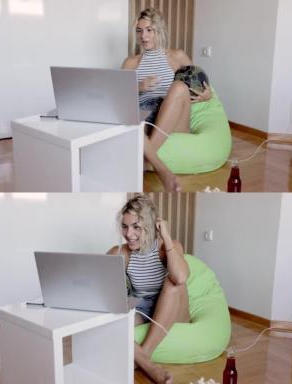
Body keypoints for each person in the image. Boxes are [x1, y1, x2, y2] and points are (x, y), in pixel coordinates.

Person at [122, 8, 212, 192]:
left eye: (149, 30)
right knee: (127, 115)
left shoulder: (177, 56)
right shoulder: (131, 62)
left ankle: (145, 161)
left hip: (172, 115)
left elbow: (197, 80)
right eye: (139, 31)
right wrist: (139, 86)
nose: (143, 36)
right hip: (145, 115)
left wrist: (208, 95)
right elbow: (118, 96)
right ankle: (160, 168)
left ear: (159, 30)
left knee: (179, 87)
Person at [108, 195, 190, 384]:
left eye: (136, 226)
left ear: (152, 225)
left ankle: (147, 360)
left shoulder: (168, 247)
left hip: (174, 306)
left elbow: (181, 278)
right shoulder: (122, 253)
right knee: (115, 323)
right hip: (143, 308)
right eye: (125, 226)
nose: (129, 234)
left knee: (172, 284)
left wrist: (166, 237)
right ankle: (147, 363)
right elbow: (101, 284)